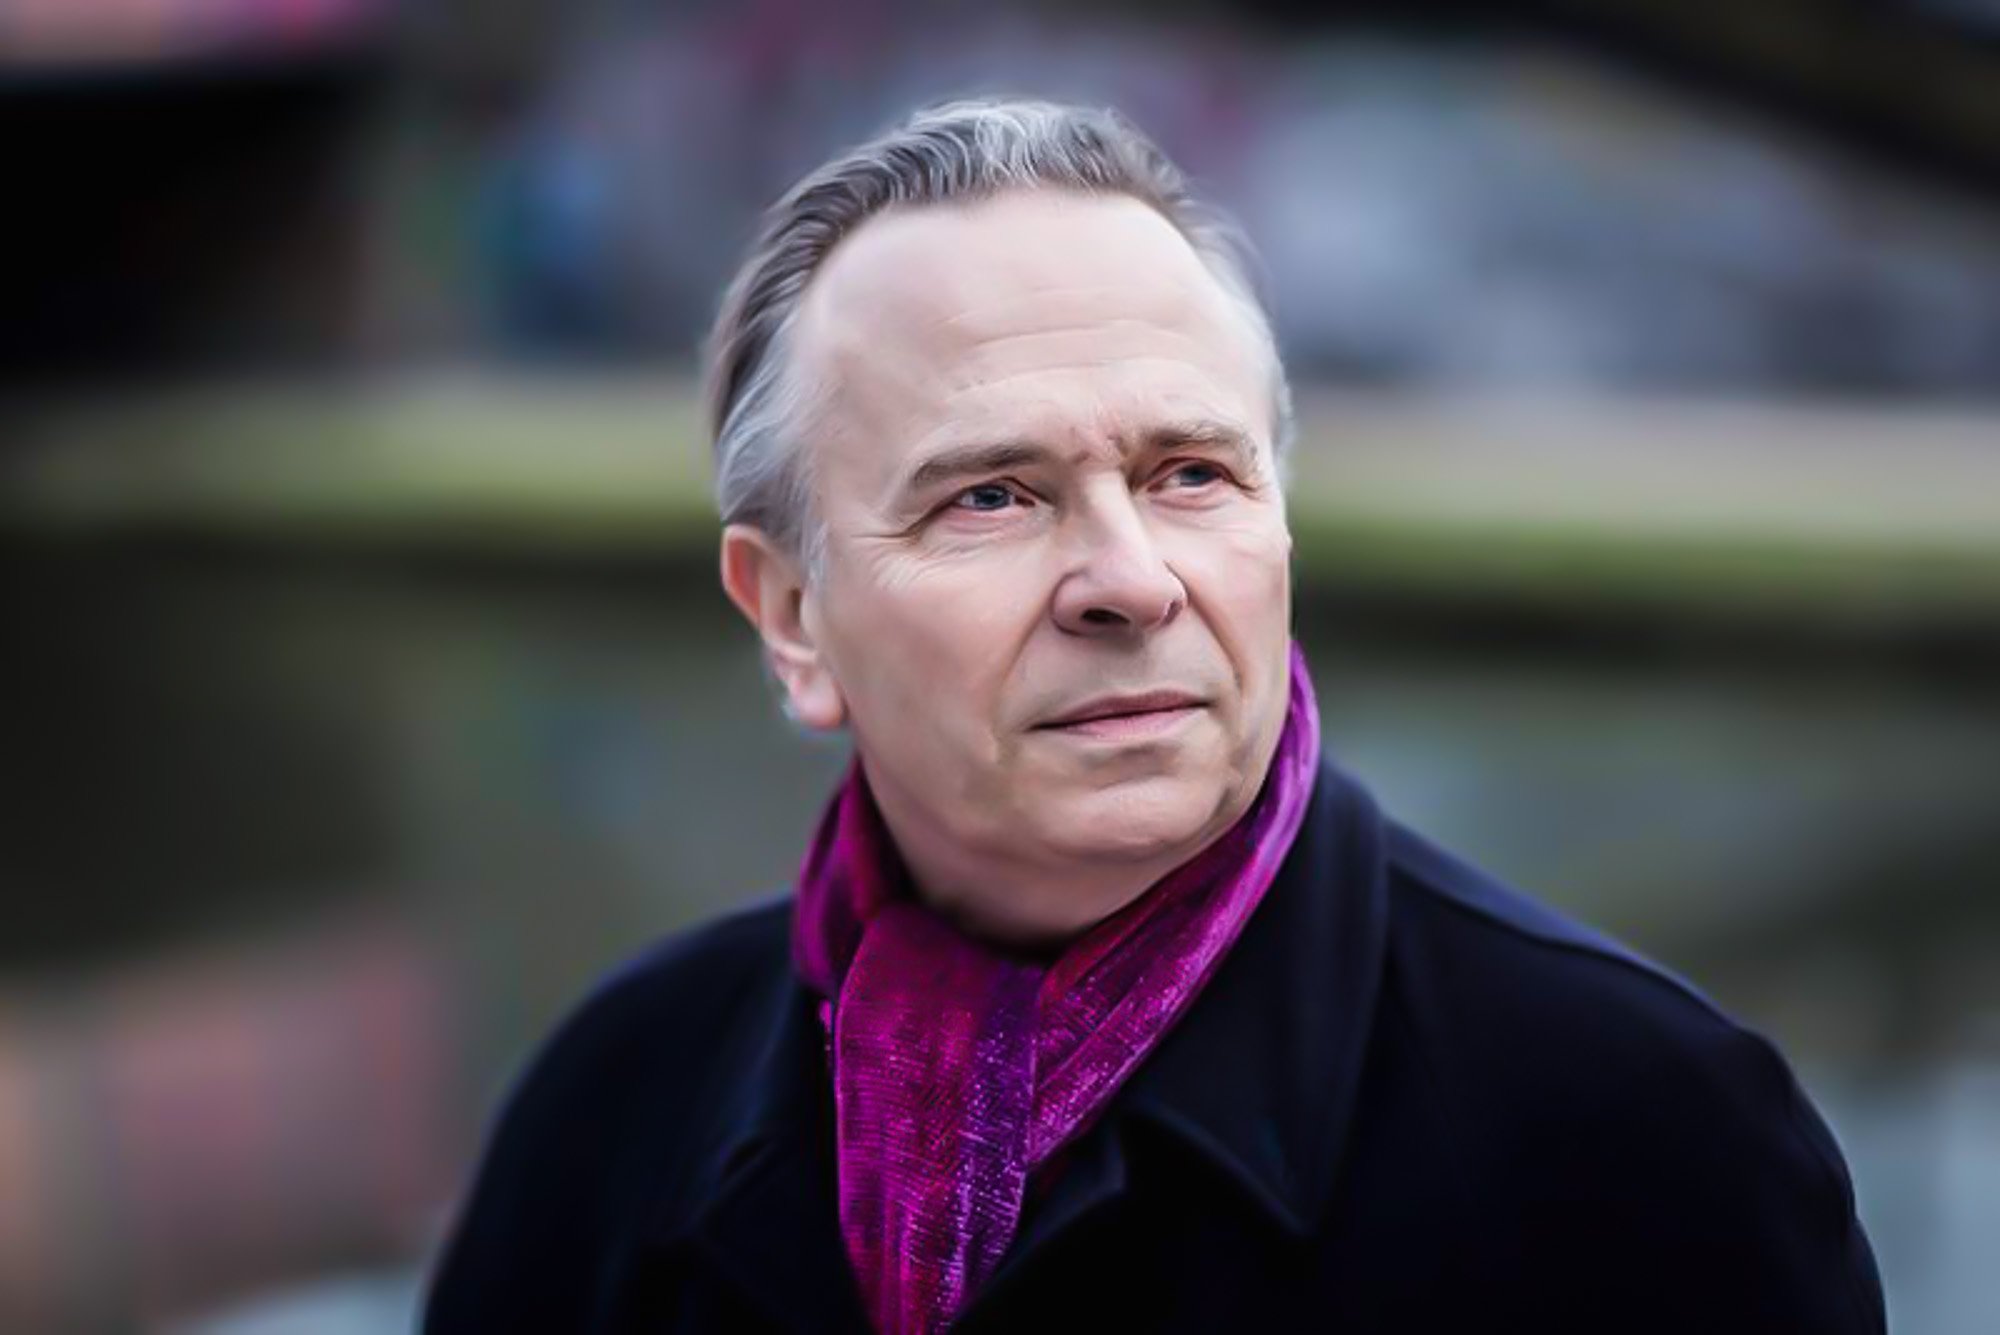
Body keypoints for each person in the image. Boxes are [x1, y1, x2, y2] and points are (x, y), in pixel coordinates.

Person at [421, 98, 1886, 1335]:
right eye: (991, 497)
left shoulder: (1642, 1134)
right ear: (794, 616)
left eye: (1193, 475)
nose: (1130, 581)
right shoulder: (615, 1103)